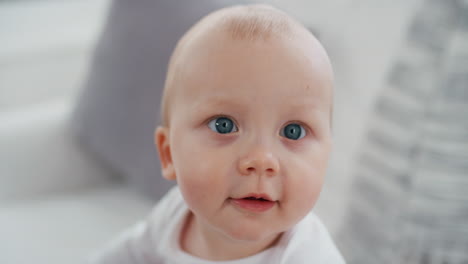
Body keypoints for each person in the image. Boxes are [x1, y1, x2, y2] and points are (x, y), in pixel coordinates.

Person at [90, 4, 344, 263]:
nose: (261, 160)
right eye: (223, 125)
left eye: (294, 131)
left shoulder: (309, 257)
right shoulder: (174, 214)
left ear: (326, 159)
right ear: (168, 155)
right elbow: (129, 254)